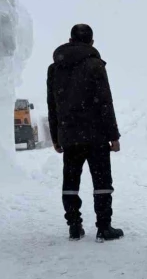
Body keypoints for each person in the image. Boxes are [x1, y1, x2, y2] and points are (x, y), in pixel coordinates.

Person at [47, 24, 125, 242]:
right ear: (91, 42)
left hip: (70, 136)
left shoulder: (55, 68)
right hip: (96, 135)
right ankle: (104, 228)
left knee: (70, 182)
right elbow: (105, 102)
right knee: (102, 182)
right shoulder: (95, 65)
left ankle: (74, 226)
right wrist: (113, 136)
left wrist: (56, 137)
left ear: (70, 40)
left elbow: (52, 105)